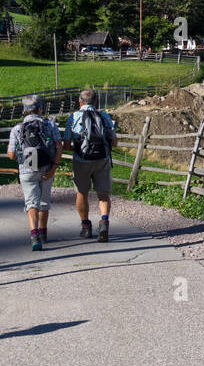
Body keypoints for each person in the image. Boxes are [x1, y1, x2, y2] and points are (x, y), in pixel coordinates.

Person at [6, 95, 63, 252]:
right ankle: (44, 233)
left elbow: (10, 154)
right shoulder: (50, 125)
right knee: (44, 202)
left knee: (31, 203)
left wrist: (21, 154)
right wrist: (53, 168)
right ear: (39, 109)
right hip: (46, 168)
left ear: (24, 110)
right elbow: (59, 147)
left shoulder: (17, 129)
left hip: (26, 170)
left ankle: (34, 236)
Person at [66, 88, 119, 241]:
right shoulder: (104, 116)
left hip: (81, 160)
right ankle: (103, 222)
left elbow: (67, 145)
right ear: (96, 102)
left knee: (82, 193)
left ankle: (86, 227)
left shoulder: (73, 117)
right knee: (103, 194)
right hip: (102, 160)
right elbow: (114, 142)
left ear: (79, 101)